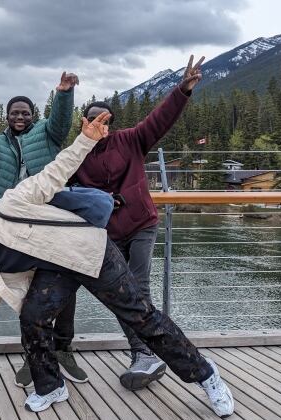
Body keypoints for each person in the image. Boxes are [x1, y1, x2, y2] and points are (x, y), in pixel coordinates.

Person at [0, 111, 234, 417]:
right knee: (33, 317)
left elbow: (53, 176)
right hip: (56, 271)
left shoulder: (10, 203)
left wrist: (85, 140)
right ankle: (51, 386)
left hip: (89, 253)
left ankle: (206, 375)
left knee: (142, 317)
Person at [73, 55, 205, 390]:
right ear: (83, 123)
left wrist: (182, 90)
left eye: (105, 121)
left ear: (110, 124)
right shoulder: (76, 155)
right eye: (93, 120)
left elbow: (159, 121)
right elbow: (63, 189)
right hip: (108, 233)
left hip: (142, 224)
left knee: (139, 288)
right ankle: (145, 353)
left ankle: (146, 354)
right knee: (122, 294)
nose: (99, 125)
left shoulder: (131, 140)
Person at [0, 72, 89, 387]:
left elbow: (61, 122)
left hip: (47, 218)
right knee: (26, 290)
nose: (19, 117)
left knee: (64, 283)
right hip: (10, 228)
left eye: (24, 112)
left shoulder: (48, 134)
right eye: (14, 112)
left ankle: (63, 349)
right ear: (6, 116)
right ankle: (34, 355)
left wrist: (63, 93)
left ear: (33, 114)